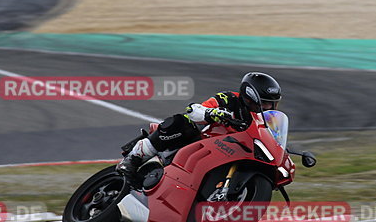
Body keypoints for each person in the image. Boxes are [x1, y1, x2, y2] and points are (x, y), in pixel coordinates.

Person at [116, 72, 282, 187]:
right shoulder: (229, 99)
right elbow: (194, 109)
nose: (268, 107)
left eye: (271, 104)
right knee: (183, 122)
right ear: (250, 97)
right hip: (200, 142)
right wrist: (212, 113)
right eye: (265, 103)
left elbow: (272, 138)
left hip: (228, 154)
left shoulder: (267, 120)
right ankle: (133, 159)